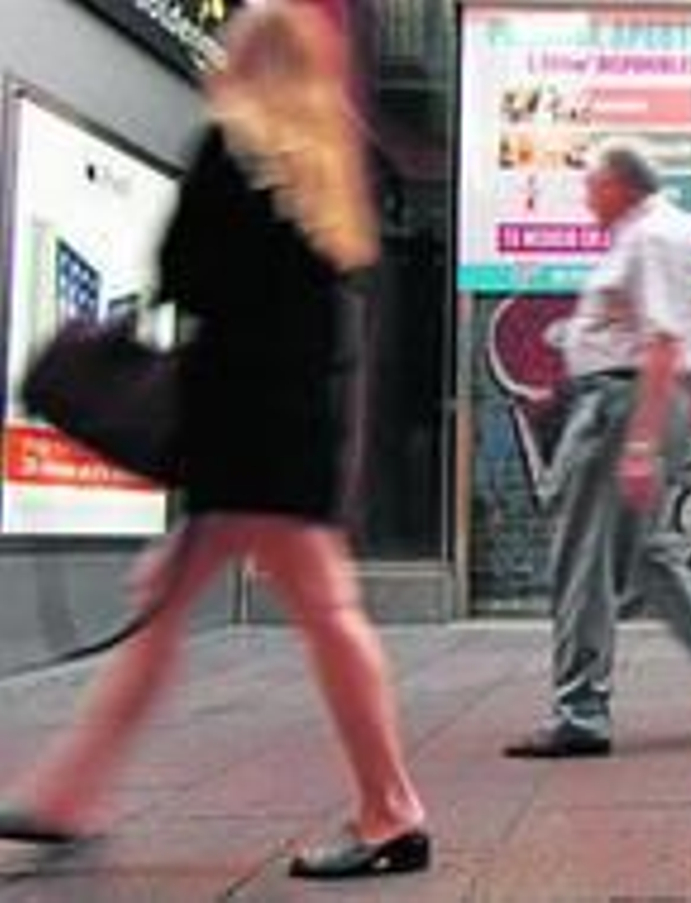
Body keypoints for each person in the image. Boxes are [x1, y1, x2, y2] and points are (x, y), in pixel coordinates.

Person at [0, 0, 430, 880]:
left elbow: (182, 274)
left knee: (315, 617)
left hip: (239, 437)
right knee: (217, 613)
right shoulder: (323, 177)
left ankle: (392, 810)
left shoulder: (231, 152)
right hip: (286, 437)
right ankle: (71, 792)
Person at [502, 143, 691, 759]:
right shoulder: (665, 231)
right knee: (644, 555)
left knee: (584, 558)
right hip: (640, 402)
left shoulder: (651, 237)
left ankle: (580, 712)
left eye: (592, 187)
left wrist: (639, 445)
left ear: (623, 185)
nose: (586, 200)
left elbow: (661, 341)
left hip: (623, 406)